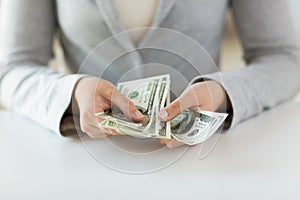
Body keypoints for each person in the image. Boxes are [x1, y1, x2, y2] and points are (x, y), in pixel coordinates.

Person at [0, 0, 299, 148]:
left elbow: (284, 58)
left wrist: (223, 95)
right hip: (82, 165)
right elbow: (12, 69)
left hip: (206, 165)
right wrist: (70, 94)